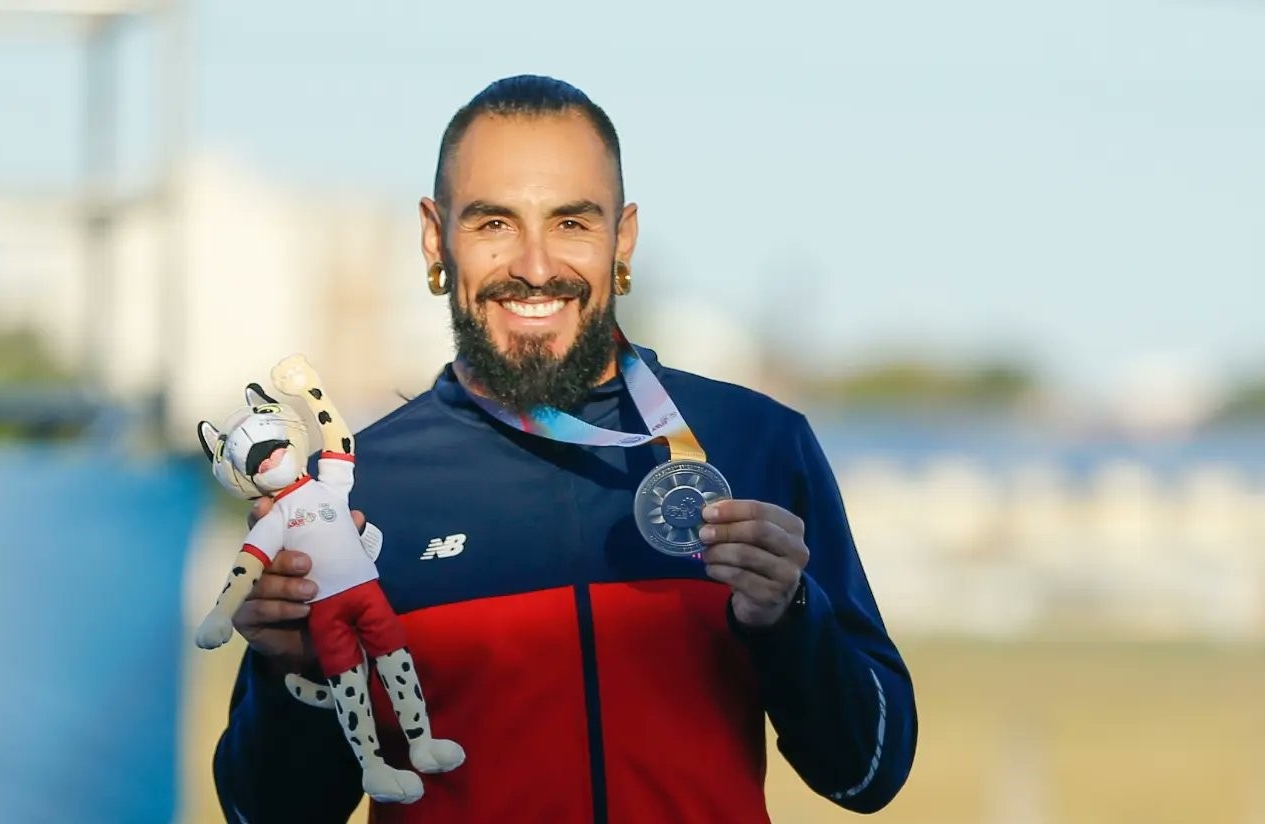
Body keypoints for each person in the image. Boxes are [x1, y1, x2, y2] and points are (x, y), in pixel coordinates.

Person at [212, 74, 917, 824]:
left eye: (572, 223)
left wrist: (789, 615)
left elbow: (866, 774)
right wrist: (292, 669)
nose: (537, 266)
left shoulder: (756, 444)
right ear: (434, 237)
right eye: (494, 224)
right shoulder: (355, 493)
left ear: (623, 238)